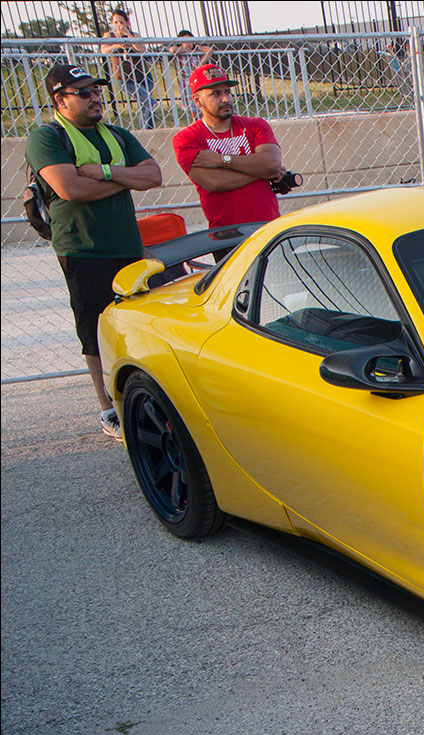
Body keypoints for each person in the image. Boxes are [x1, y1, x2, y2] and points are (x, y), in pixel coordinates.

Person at [24, 64, 162, 439]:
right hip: (83, 248)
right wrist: (122, 177)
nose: (95, 97)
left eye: (96, 90)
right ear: (60, 99)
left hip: (128, 246)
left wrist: (100, 172)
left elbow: (153, 176)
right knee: (93, 329)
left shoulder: (116, 133)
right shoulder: (47, 138)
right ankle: (108, 408)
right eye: (83, 93)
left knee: (138, 324)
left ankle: (144, 397)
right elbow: (70, 190)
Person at [172, 64, 285, 234]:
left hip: (268, 227)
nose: (225, 99)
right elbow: (215, 182)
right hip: (226, 233)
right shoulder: (187, 138)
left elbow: (272, 163)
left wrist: (221, 160)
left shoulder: (255, 125)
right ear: (197, 100)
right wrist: (261, 171)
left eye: (227, 92)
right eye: (215, 94)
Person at [100, 8, 156, 129]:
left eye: (121, 22)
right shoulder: (109, 36)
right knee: (150, 102)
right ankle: (148, 131)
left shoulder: (134, 35)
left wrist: (128, 35)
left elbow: (141, 49)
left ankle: (146, 130)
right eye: (115, 22)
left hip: (143, 75)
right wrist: (116, 45)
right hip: (125, 77)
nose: (118, 25)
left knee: (145, 105)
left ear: (127, 22)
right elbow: (104, 50)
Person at [169, 30, 215, 99]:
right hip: (186, 80)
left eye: (190, 40)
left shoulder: (197, 49)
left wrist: (201, 63)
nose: (188, 43)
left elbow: (209, 50)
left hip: (198, 79)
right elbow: (172, 50)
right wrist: (189, 51)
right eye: (185, 41)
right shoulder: (180, 50)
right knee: (189, 99)